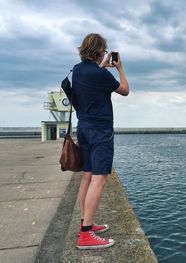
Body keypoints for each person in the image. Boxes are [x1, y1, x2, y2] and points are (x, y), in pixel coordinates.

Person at [72, 33, 129, 249]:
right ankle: (86, 235)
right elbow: (125, 90)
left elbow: (93, 77)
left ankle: (85, 223)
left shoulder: (77, 70)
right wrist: (120, 68)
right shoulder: (99, 74)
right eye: (104, 51)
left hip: (84, 128)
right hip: (100, 130)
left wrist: (102, 65)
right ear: (98, 51)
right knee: (99, 178)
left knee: (87, 176)